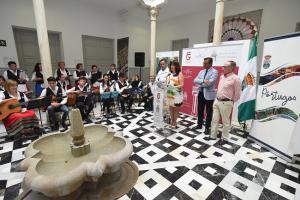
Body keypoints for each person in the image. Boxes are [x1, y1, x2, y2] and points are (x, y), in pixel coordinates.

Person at [204, 61, 241, 145]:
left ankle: (225, 138)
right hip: (217, 101)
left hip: (226, 103)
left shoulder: (236, 78)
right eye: (223, 66)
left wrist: (230, 101)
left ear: (231, 68)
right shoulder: (221, 77)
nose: (222, 68)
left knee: (225, 122)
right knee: (214, 120)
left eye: (225, 66)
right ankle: (213, 136)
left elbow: (237, 94)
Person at [193, 57, 218, 134]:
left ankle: (207, 127)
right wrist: (203, 81)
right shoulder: (201, 71)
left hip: (209, 95)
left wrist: (201, 83)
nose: (203, 64)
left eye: (205, 63)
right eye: (203, 63)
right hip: (201, 93)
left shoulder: (214, 72)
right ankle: (199, 125)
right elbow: (195, 80)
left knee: (209, 112)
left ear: (210, 64)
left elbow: (209, 84)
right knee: (200, 110)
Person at [166, 61, 184, 128]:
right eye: (171, 65)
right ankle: (171, 121)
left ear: (177, 66)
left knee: (175, 109)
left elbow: (182, 85)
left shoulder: (180, 74)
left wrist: (174, 87)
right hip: (170, 93)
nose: (172, 66)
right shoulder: (169, 74)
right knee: (170, 108)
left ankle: (175, 122)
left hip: (177, 94)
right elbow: (166, 83)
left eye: (173, 65)